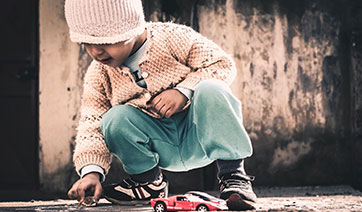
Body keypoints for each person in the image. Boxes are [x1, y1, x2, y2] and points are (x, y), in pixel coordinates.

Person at [64, 0, 257, 210]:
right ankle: (149, 183)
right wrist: (91, 172)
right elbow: (91, 123)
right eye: (86, 44)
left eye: (105, 43)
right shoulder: (99, 73)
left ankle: (234, 177)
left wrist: (183, 91)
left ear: (133, 27)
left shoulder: (173, 37)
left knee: (212, 88)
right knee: (114, 118)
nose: (95, 52)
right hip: (159, 146)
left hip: (199, 136)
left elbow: (222, 64)